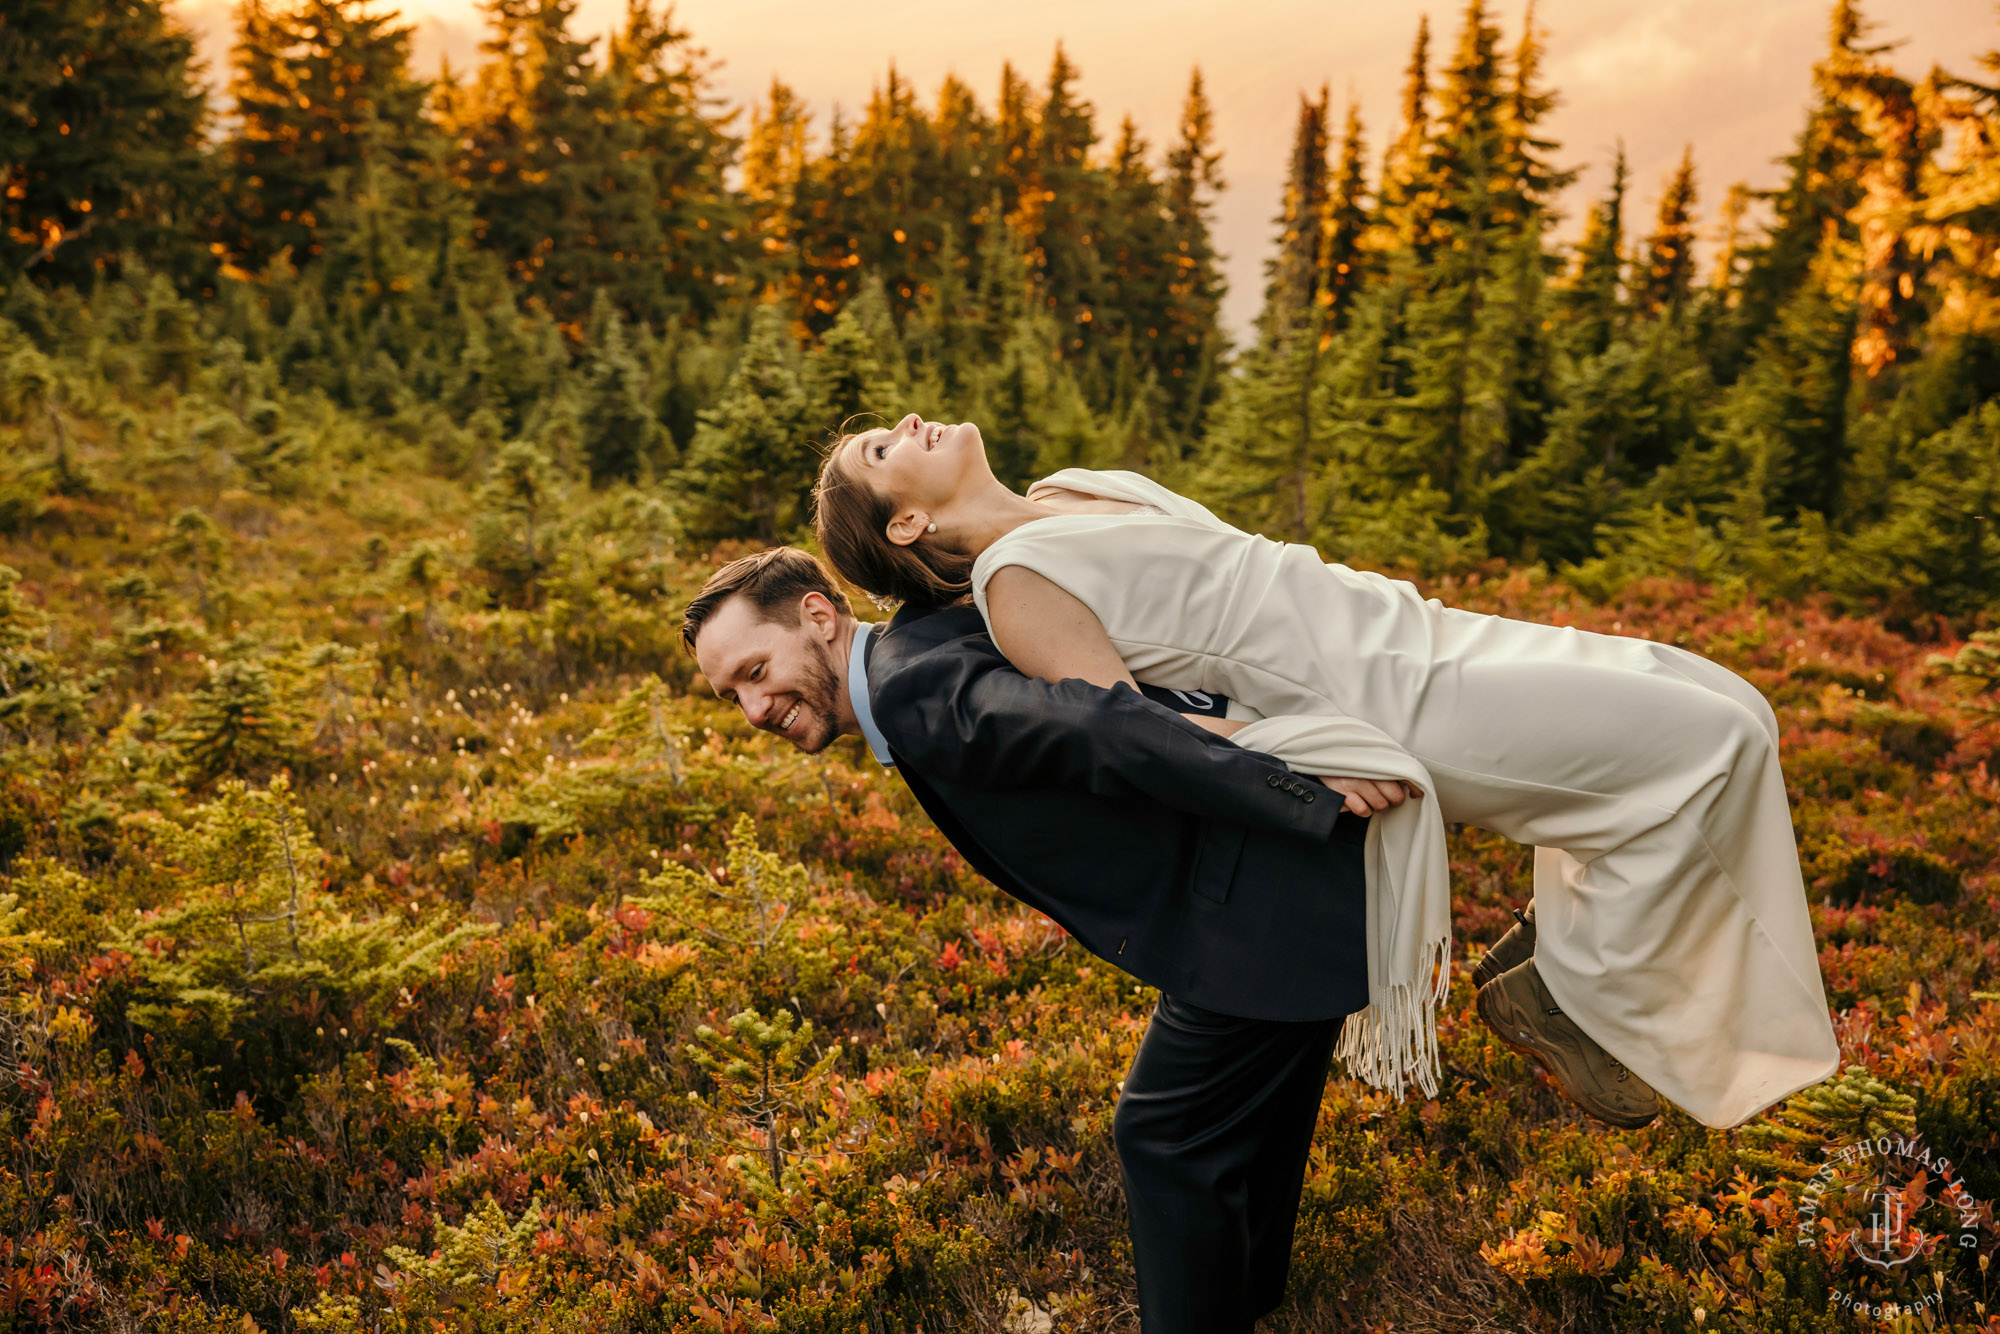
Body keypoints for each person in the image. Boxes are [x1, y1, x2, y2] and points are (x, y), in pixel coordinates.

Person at [811, 412, 1842, 1132]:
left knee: (1732, 702)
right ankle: (1572, 991)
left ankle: (1568, 947)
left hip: (1415, 626)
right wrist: (1300, 771)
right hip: (1397, 701)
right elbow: (1136, 734)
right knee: (1711, 749)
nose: (905, 422)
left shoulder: (1076, 489)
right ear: (905, 524)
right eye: (879, 447)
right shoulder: (1014, 585)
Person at [681, 547, 1379, 1333]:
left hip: (1258, 904)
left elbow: (1098, 723)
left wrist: (1303, 784)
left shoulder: (911, 690)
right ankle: (1247, 1296)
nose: (752, 709)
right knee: (1247, 1112)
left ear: (818, 614)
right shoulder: (920, 639)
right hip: (1267, 898)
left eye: (755, 669)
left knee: (1165, 1134)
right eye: (730, 693)